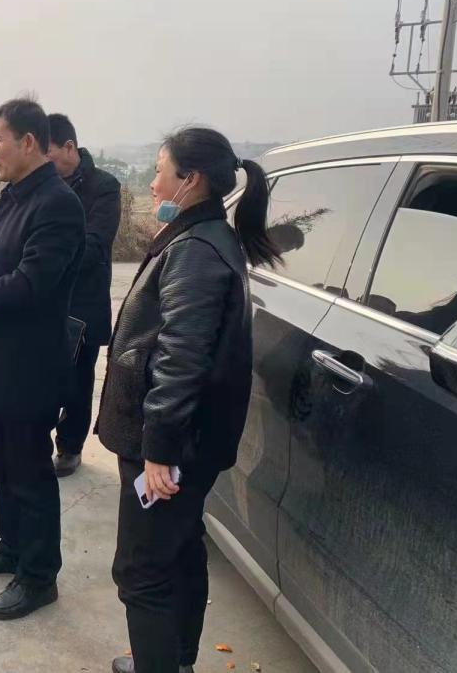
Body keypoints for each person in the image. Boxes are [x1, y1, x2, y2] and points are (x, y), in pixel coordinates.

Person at [96, 127, 281, 673]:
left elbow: (181, 358)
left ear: (191, 179)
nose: (153, 184)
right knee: (178, 549)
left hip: (172, 444)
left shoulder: (197, 250)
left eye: (160, 172)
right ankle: (175, 659)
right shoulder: (202, 236)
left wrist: (159, 449)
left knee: (142, 570)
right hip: (188, 440)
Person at [0, 98, 85, 621]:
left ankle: (38, 575)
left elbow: (33, 281)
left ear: (28, 142)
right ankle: (11, 546)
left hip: (30, 363)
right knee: (4, 463)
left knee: (30, 471)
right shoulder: (14, 196)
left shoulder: (56, 204)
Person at [45, 113, 122, 477]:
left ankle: (70, 446)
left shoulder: (103, 186)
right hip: (44, 301)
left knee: (77, 382)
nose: (43, 163)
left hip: (83, 303)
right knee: (41, 376)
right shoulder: (41, 184)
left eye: (48, 155)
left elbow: (95, 244)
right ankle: (36, 441)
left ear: (69, 147)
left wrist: (44, 259)